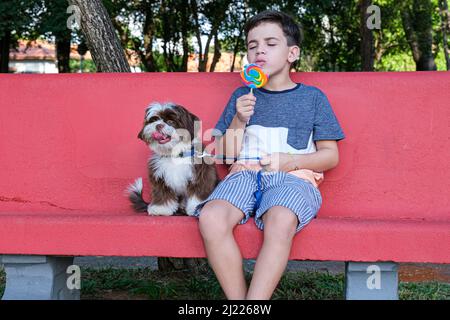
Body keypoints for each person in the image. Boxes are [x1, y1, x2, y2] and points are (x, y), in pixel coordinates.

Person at [192, 10, 346, 300]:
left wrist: (292, 161)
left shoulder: (312, 98)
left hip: (292, 177)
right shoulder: (242, 97)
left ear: (292, 53)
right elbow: (225, 156)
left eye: (270, 43)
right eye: (252, 45)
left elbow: (330, 155)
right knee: (211, 218)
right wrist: (239, 119)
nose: (259, 49)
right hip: (245, 174)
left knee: (281, 219)